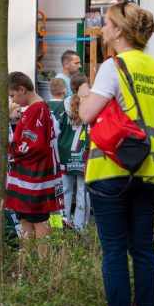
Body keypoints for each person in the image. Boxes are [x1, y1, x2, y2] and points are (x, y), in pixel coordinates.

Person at [77, 1, 154, 306]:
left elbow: (87, 114)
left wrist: (84, 92)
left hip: (111, 170)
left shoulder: (112, 66)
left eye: (107, 24)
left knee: (115, 250)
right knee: (144, 248)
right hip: (151, 171)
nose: (103, 29)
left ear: (119, 31)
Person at [5, 72, 62, 258]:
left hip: (34, 177)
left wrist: (10, 148)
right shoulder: (34, 109)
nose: (13, 100)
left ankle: (43, 263)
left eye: (13, 95)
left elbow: (32, 145)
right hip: (29, 176)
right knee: (25, 219)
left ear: (22, 89)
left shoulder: (37, 110)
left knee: (38, 219)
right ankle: (27, 260)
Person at [59, 74, 91, 230]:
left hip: (65, 153)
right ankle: (80, 228)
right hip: (83, 153)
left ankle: (62, 225)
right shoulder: (90, 104)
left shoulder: (63, 105)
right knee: (82, 193)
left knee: (64, 191)